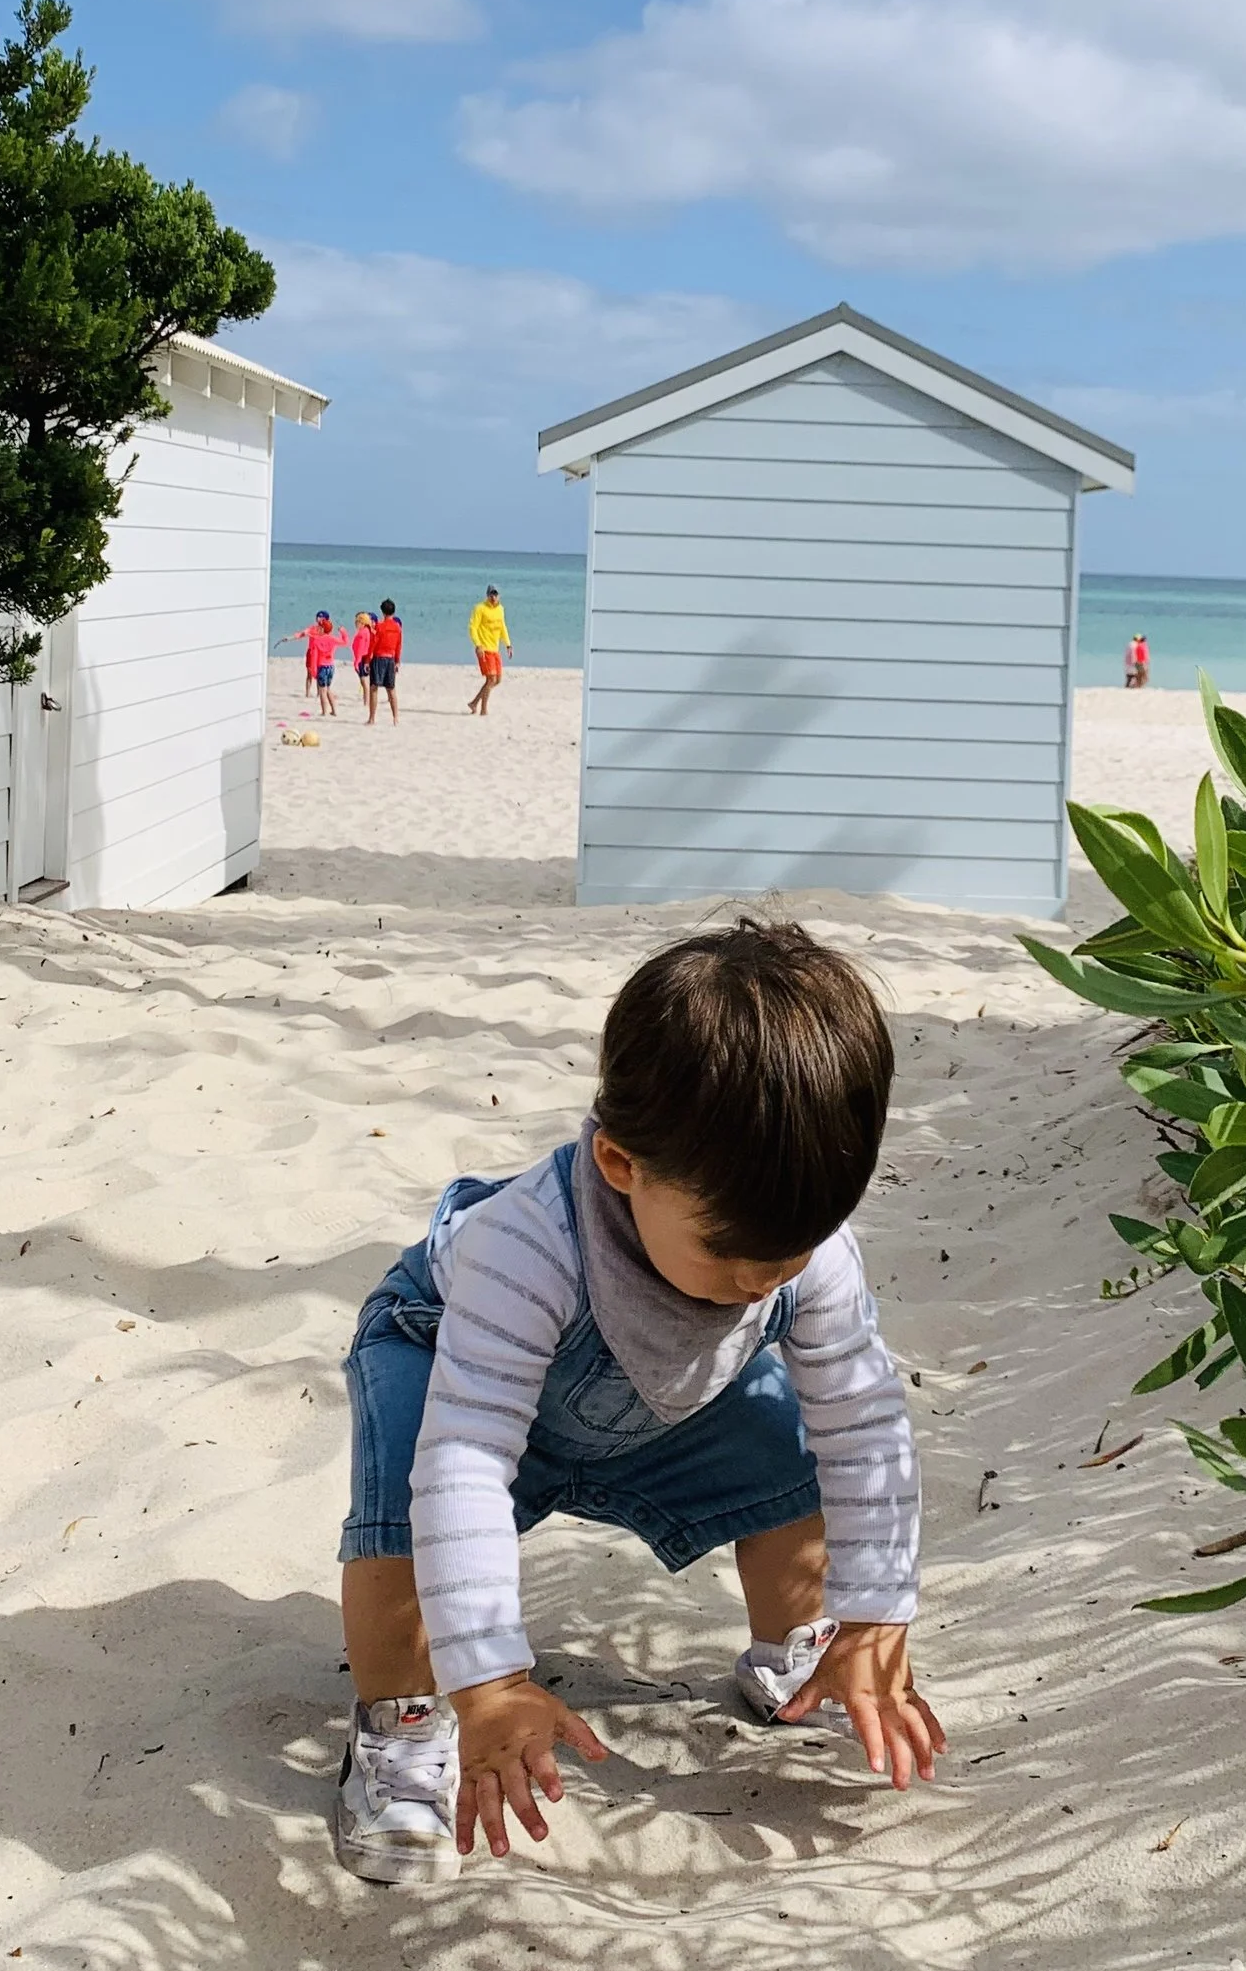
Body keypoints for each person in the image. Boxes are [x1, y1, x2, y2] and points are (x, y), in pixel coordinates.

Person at [330, 921, 939, 1876]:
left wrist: (876, 1609)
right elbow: (464, 1464)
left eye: (793, 1251)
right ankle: (403, 1724)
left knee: (788, 1440)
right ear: (621, 1165)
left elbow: (861, 1422)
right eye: (732, 1250)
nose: (762, 1277)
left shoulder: (800, 1252)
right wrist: (490, 1683)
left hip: (661, 1408)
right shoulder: (525, 1246)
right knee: (405, 1509)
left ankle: (801, 1643)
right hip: (457, 1375)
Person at [467, 580, 511, 716]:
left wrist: (508, 644)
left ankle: (474, 703)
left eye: (495, 594)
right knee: (490, 679)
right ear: (487, 595)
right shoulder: (479, 608)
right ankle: (483, 709)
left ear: (499, 596)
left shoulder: (500, 609)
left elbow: (503, 627)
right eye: (491, 594)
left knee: (497, 680)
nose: (493, 597)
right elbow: (472, 627)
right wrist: (478, 644)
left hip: (495, 648)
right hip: (484, 648)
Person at [364, 597, 403, 726]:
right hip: (391, 658)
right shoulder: (397, 627)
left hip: (379, 658)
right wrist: (397, 661)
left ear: (383, 612)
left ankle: (372, 718)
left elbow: (373, 644)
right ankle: (395, 718)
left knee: (374, 688)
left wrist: (367, 660)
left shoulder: (379, 627)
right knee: (391, 689)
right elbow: (399, 645)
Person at [303, 608, 346, 715]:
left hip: (322, 666)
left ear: (323, 629)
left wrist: (313, 670)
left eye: (320, 628)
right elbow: (345, 642)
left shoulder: (317, 641)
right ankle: (334, 711)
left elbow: (314, 657)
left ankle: (324, 712)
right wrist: (343, 631)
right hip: (331, 666)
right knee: (328, 689)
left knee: (322, 691)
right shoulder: (332, 639)